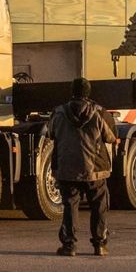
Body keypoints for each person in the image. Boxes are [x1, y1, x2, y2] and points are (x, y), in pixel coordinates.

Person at [48, 77, 117, 257]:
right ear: (88, 92)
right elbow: (111, 137)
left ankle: (69, 246)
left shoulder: (59, 112)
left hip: (67, 167)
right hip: (95, 169)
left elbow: (50, 133)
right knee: (99, 206)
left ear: (72, 91)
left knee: (70, 205)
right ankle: (99, 245)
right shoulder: (100, 113)